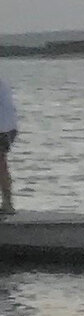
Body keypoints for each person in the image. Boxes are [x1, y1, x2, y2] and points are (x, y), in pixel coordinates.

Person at [0, 72, 17, 214]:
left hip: (2, 129)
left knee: (1, 164)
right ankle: (7, 202)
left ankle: (8, 203)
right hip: (9, 127)